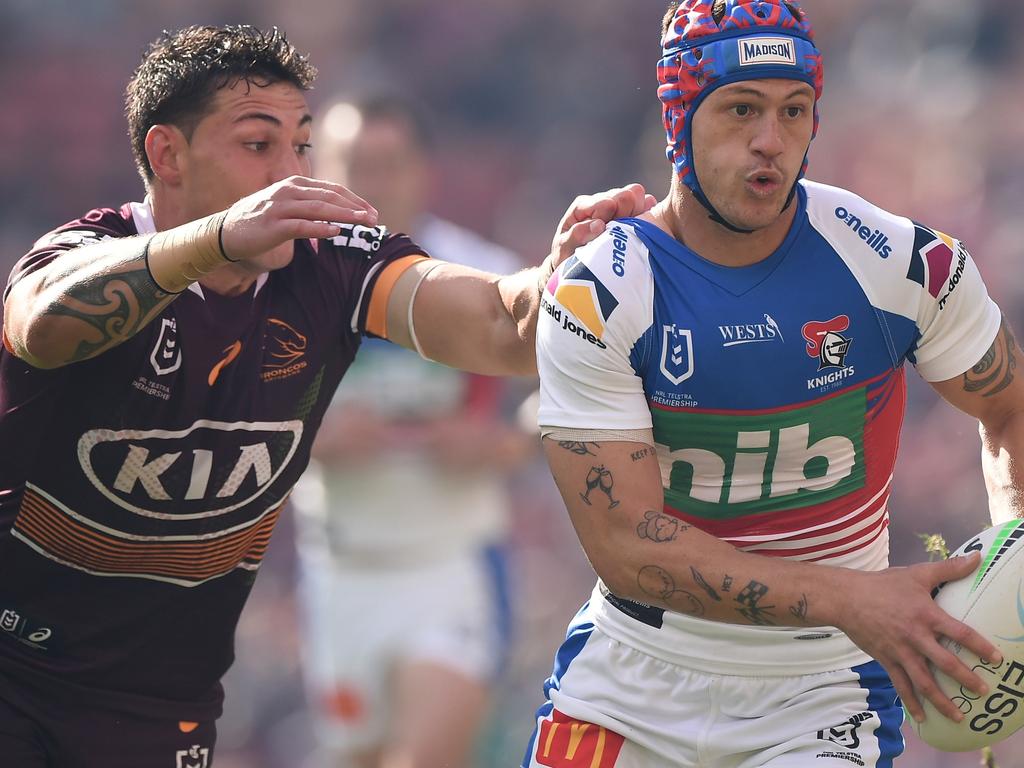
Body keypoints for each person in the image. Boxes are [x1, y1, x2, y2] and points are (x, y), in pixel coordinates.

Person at [0, 24, 654, 768]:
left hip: (167, 702)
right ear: (166, 155)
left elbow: (503, 326)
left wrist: (562, 269)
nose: (288, 173)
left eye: (300, 147)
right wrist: (218, 239)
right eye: (258, 146)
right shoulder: (87, 250)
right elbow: (42, 326)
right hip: (16, 671)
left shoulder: (331, 265)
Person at [525, 1, 1024, 766]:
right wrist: (856, 599)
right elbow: (625, 545)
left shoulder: (901, 264)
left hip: (826, 691)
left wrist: (1011, 582)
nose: (771, 141)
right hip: (629, 687)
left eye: (795, 111)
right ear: (677, 119)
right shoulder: (600, 294)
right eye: (740, 110)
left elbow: (1009, 407)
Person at [291, 95, 534, 768]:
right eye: (355, 164)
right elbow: (232, 418)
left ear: (424, 170)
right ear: (323, 172)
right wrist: (305, 439)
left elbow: (564, 395)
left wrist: (505, 443)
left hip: (449, 566)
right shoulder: (284, 288)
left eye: (390, 163)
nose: (375, 181)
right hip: (339, 570)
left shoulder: (481, 277)